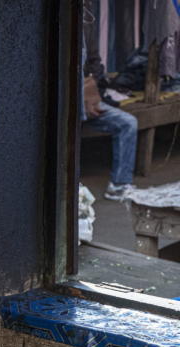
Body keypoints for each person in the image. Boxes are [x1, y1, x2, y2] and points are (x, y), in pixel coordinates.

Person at [81, 3, 138, 201]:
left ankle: (119, 185)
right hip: (65, 102)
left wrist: (92, 94)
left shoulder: (85, 22)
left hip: (87, 97)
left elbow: (95, 62)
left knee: (128, 123)